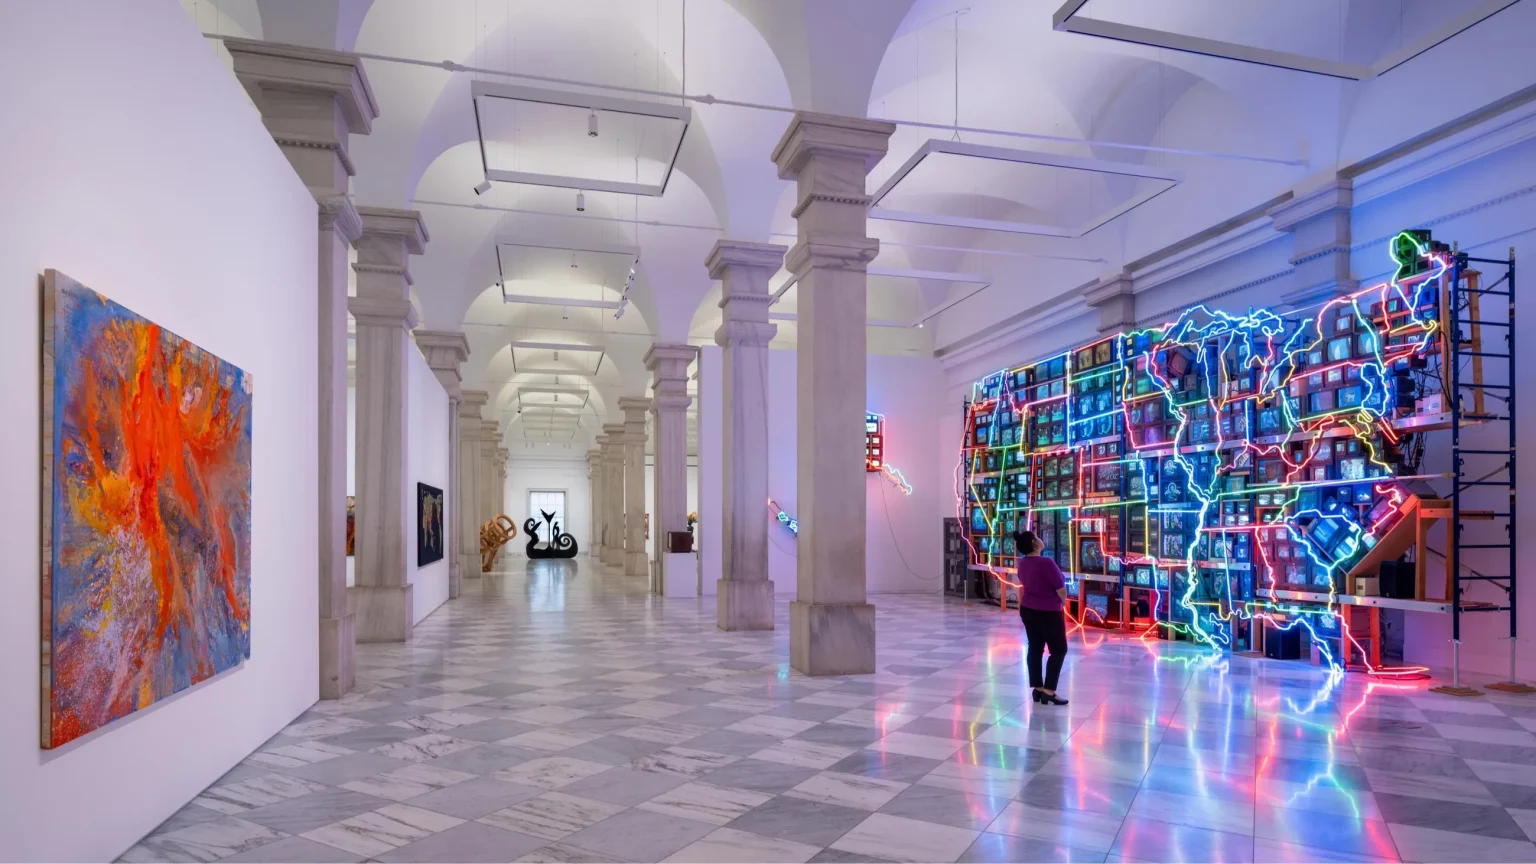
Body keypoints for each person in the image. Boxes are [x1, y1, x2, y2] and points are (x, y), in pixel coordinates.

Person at [1014, 529, 1070, 705]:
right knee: (1059, 650)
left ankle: (1037, 689)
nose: (1040, 538)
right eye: (1037, 537)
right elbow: (1060, 589)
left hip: (1027, 609)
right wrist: (1063, 602)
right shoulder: (1046, 562)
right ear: (1034, 543)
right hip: (1048, 612)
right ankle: (1049, 691)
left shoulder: (1022, 563)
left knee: (1035, 647)